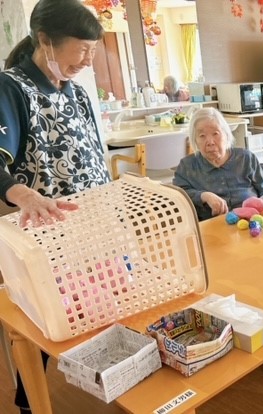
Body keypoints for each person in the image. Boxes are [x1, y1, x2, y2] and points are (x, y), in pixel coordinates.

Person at [0, 0, 109, 412]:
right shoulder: (11, 88)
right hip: (45, 235)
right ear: (45, 41)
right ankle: (29, 403)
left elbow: (93, 157)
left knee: (100, 304)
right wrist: (25, 195)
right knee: (42, 321)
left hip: (91, 227)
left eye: (93, 50)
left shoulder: (76, 92)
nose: (88, 60)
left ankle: (113, 380)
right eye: (81, 49)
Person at [173, 107, 263, 221]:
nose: (210, 142)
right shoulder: (187, 166)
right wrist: (203, 196)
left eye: (215, 133)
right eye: (202, 136)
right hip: (212, 228)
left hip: (252, 223)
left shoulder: (245, 158)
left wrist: (262, 210)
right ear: (195, 140)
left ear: (226, 135)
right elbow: (177, 196)